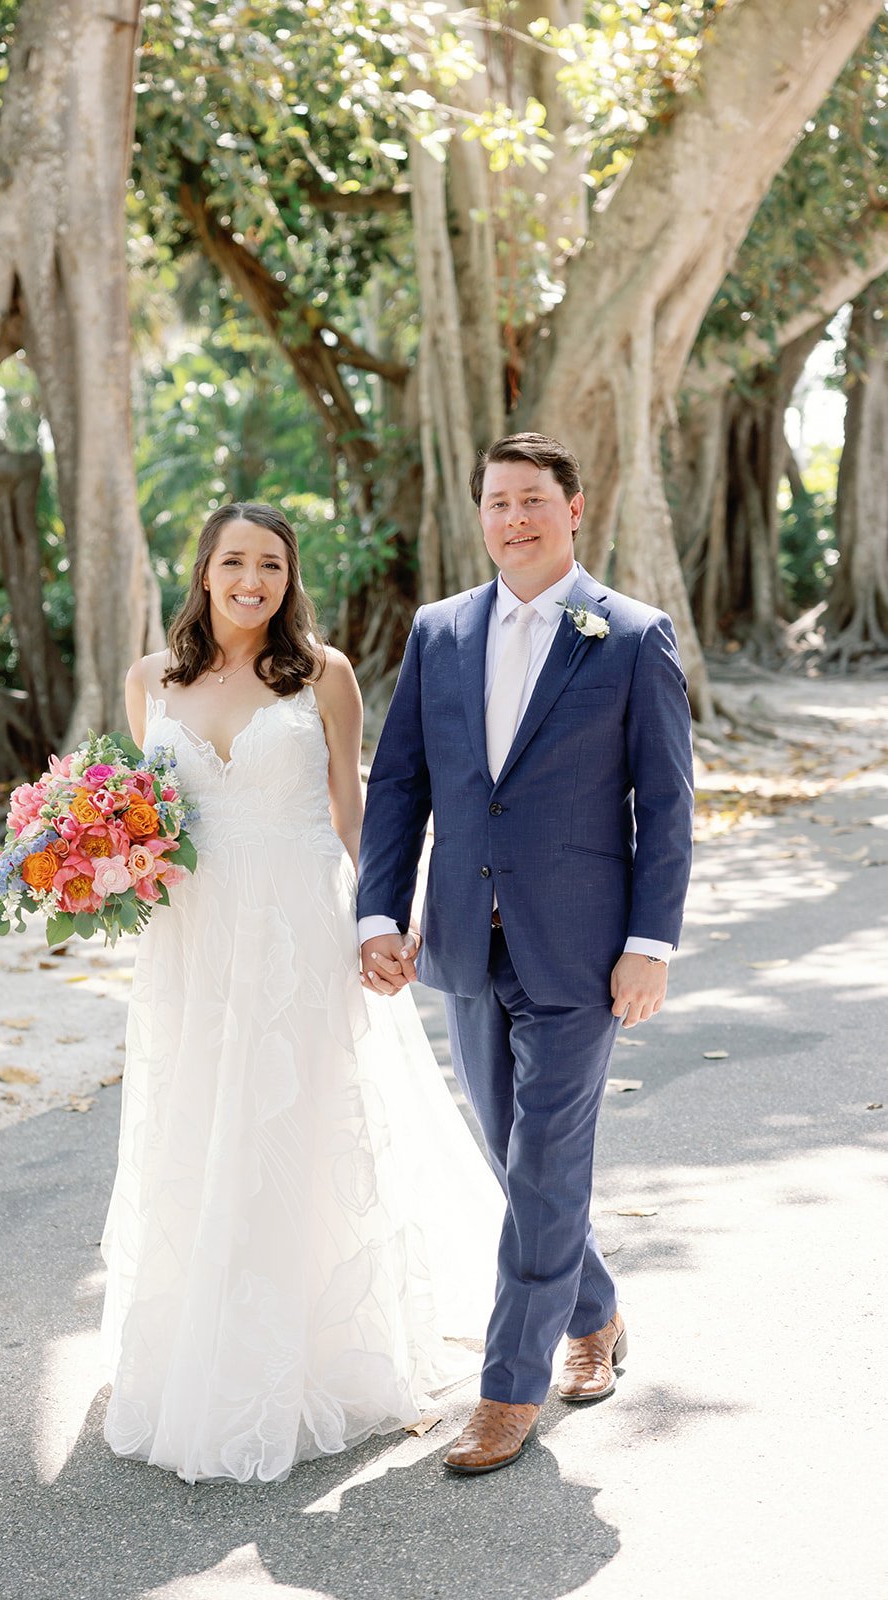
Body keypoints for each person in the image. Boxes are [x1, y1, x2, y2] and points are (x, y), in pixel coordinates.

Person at [99, 501, 501, 1484]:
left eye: (269, 565)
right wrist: (101, 861)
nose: (251, 580)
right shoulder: (148, 680)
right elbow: (143, 817)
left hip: (295, 927)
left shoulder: (323, 674)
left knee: (293, 1124)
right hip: (193, 939)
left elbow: (352, 807)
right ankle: (205, 1343)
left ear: (288, 577)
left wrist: (384, 917)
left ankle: (307, 1350)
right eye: (233, 561)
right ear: (202, 571)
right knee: (199, 1124)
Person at [358, 432, 694, 1476]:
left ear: (574, 508)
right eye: (497, 502)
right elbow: (401, 784)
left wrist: (649, 944)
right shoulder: (438, 631)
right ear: (480, 516)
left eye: (533, 500)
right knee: (513, 1158)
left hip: (584, 954)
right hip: (461, 939)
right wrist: (377, 914)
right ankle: (594, 1309)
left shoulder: (630, 637)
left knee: (545, 1159)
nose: (514, 518)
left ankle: (509, 1388)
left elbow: (667, 808)